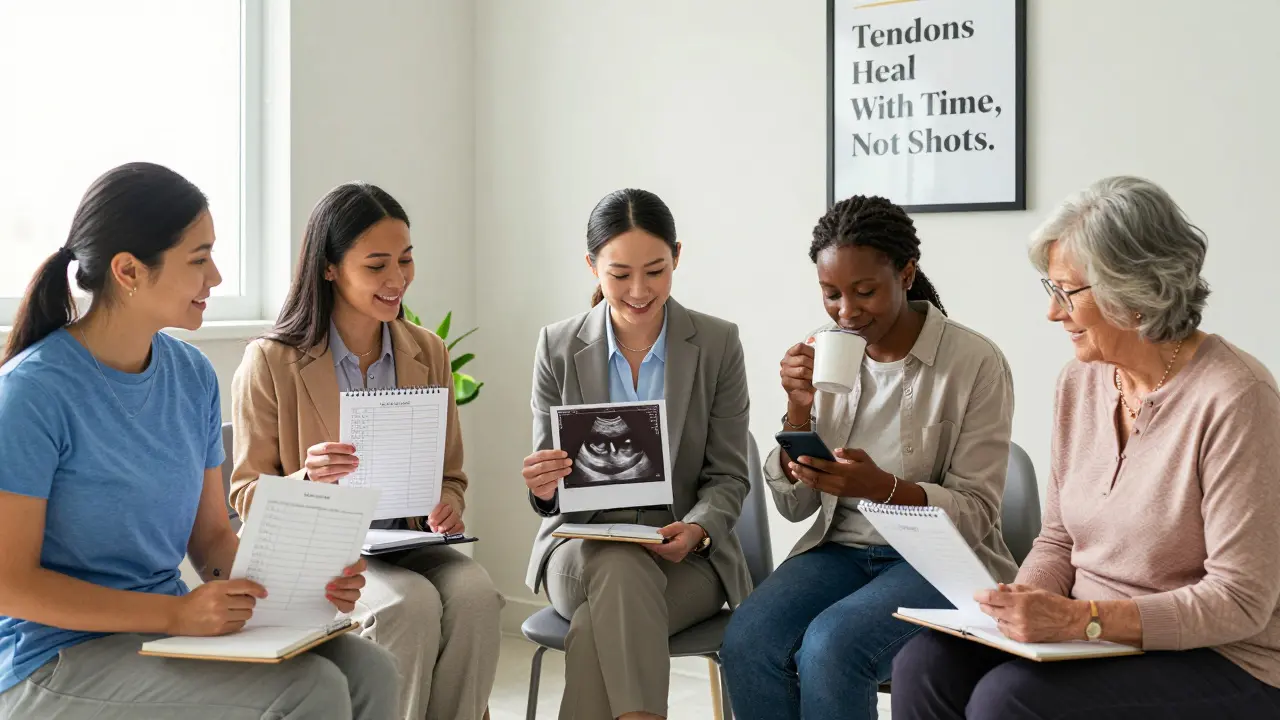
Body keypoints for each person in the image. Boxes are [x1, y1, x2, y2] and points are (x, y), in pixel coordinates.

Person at [0, 162, 397, 720]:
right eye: (199, 258)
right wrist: (175, 616)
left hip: (160, 633)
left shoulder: (191, 375)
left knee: (370, 669)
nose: (214, 277)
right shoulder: (32, 393)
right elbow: (9, 585)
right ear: (128, 271)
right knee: (309, 691)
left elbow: (211, 541)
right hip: (53, 658)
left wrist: (303, 586)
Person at [890, 176, 1280, 719]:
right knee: (925, 664)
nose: (1053, 313)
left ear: (1134, 290)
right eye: (1049, 290)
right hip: (1094, 636)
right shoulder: (1081, 382)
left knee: (1008, 701)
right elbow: (1058, 540)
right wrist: (1021, 608)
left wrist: (1080, 621)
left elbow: (1240, 602)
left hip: (1223, 659)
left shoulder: (1237, 397)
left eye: (1066, 292)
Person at [719, 195, 1018, 720]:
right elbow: (795, 508)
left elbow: (977, 513)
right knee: (748, 636)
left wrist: (883, 488)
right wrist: (796, 412)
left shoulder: (974, 363)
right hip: (840, 551)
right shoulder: (823, 355)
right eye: (831, 294)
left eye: (864, 292)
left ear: (906, 274)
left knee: (832, 646)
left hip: (935, 559)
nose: (846, 312)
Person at [230, 182, 503, 720]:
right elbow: (243, 494)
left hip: (406, 540)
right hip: (320, 547)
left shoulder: (428, 351)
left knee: (475, 594)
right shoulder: (270, 361)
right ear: (330, 267)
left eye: (405, 260)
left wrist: (446, 502)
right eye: (376, 265)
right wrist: (308, 480)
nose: (397, 279)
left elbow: (450, 474)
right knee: (410, 605)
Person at [521, 188, 752, 720]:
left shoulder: (717, 344)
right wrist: (542, 486)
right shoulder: (557, 346)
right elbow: (548, 486)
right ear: (591, 266)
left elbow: (729, 476)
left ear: (677, 257)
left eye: (656, 270)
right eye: (619, 274)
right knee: (618, 569)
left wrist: (697, 528)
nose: (639, 290)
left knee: (598, 626)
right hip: (579, 552)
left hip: (686, 558)